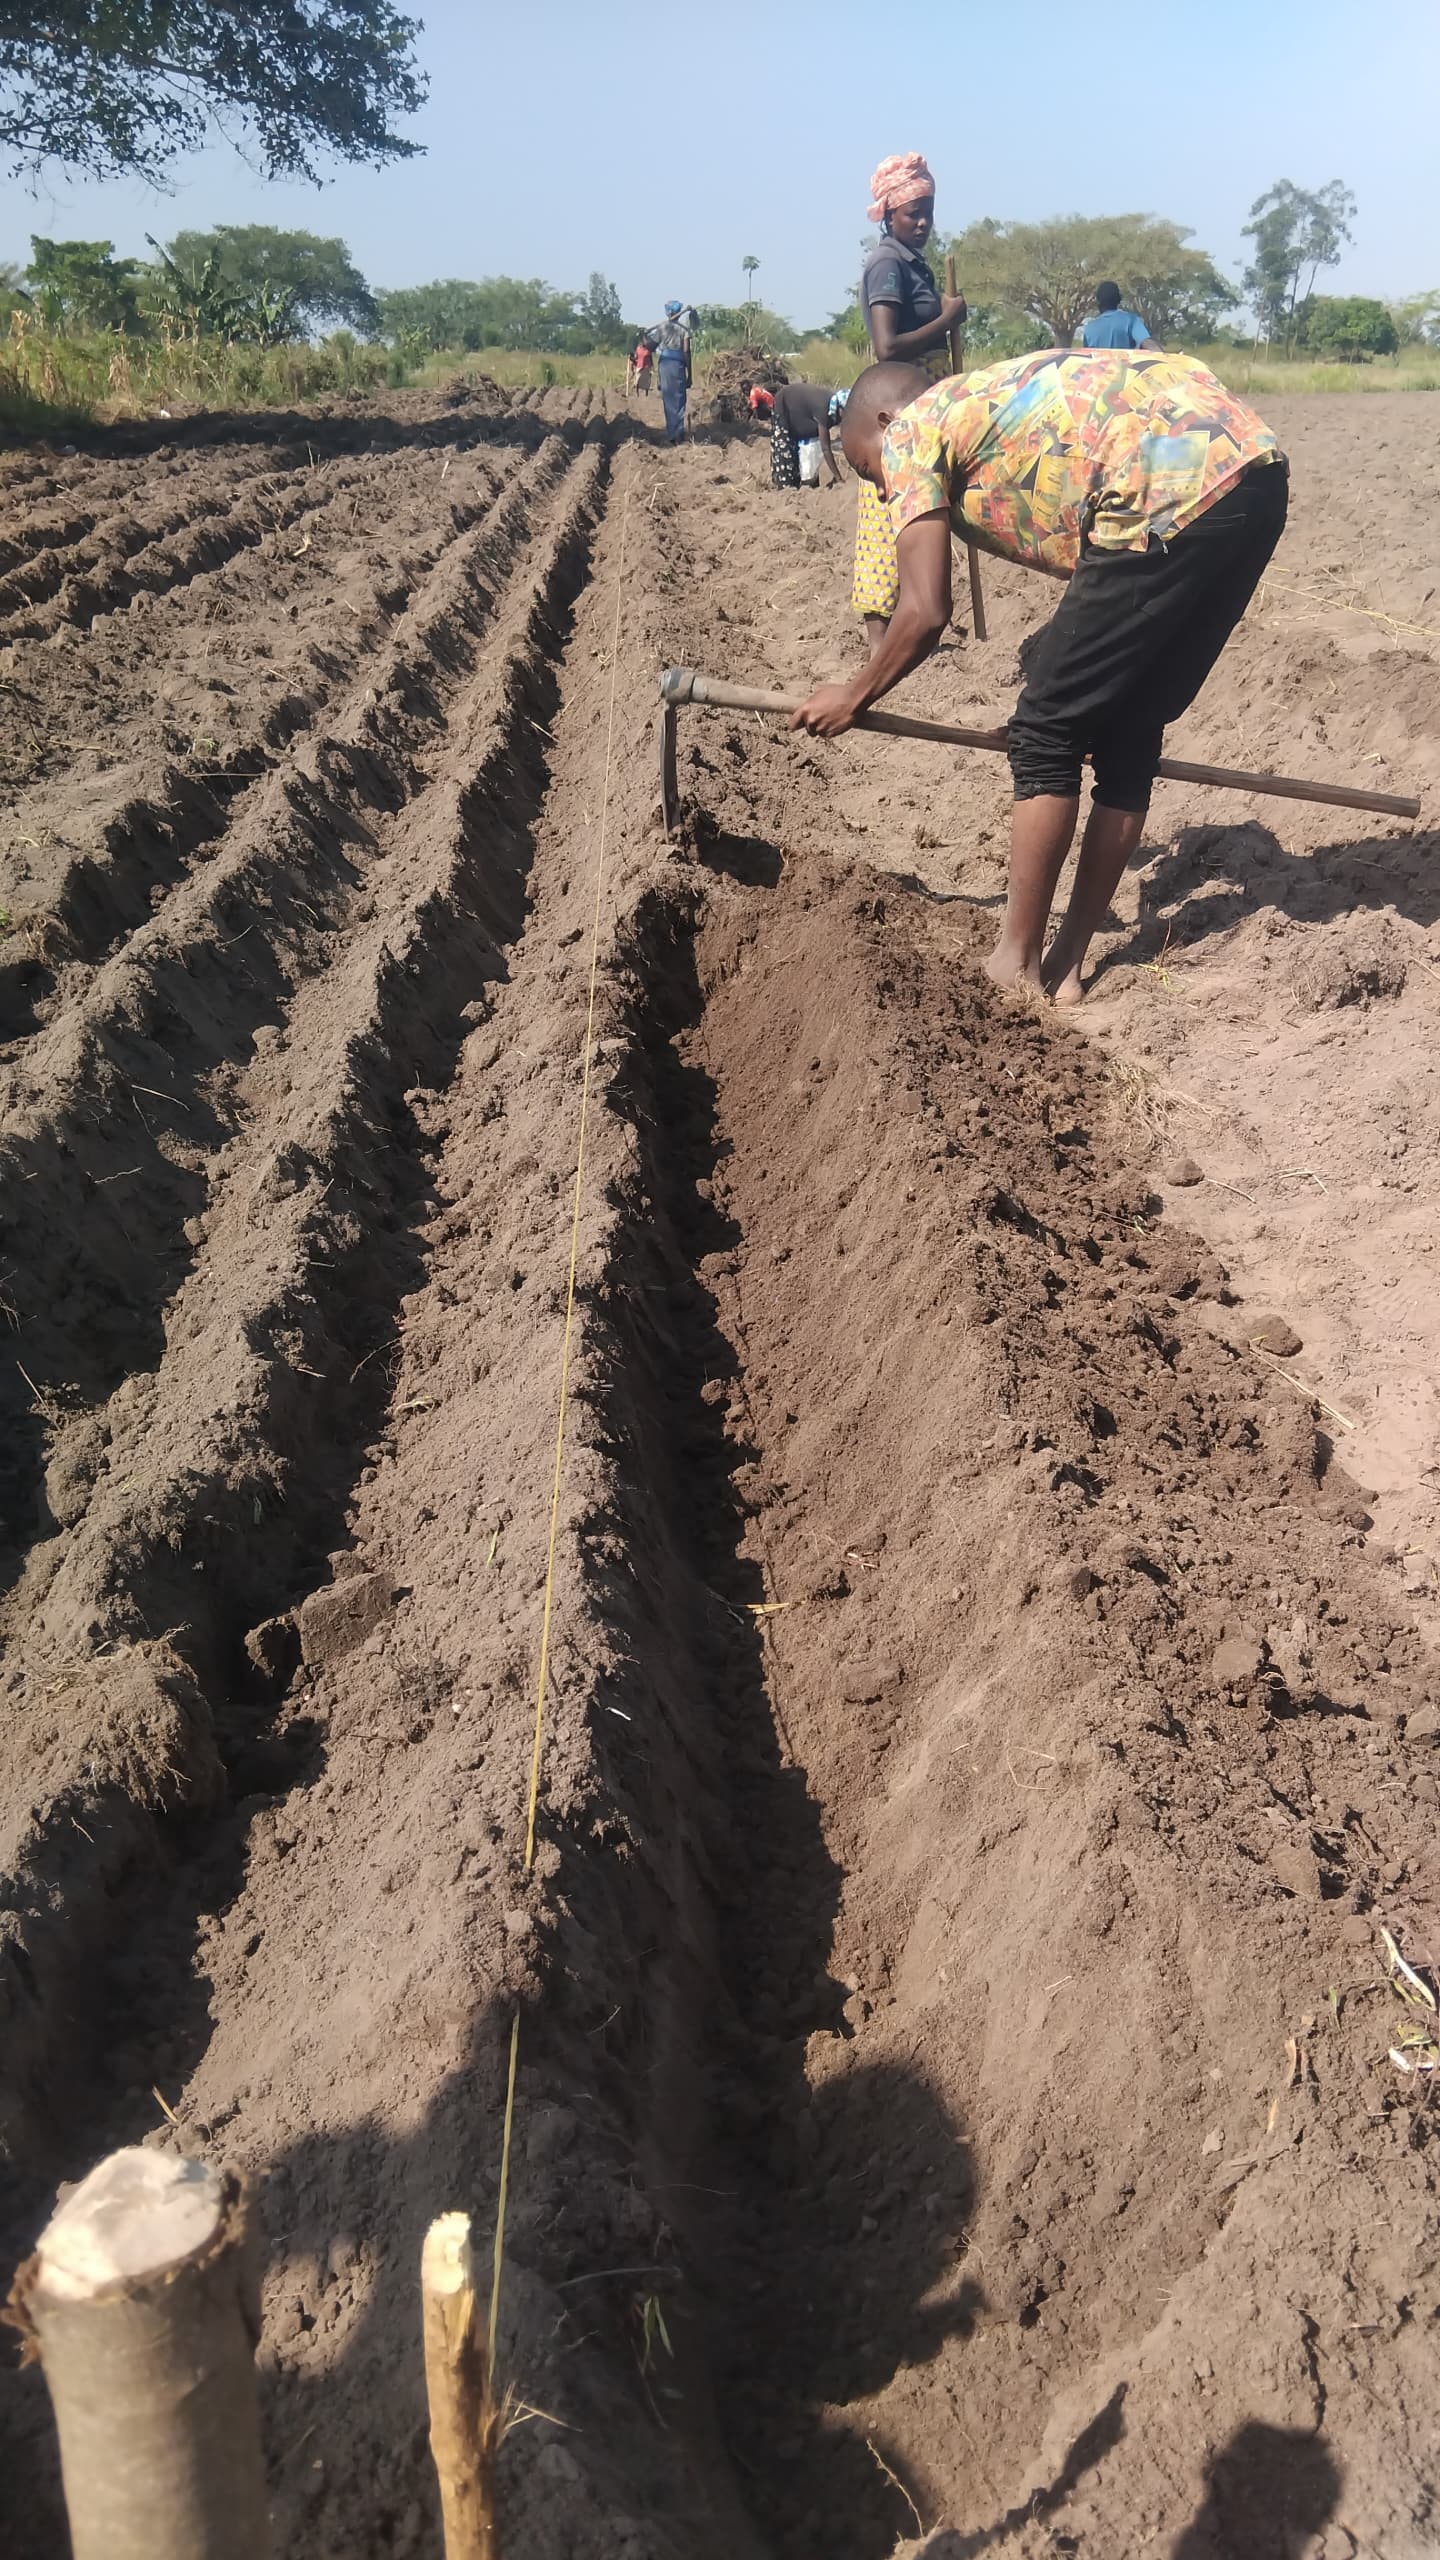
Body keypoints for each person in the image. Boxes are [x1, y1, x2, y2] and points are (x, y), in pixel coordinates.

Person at [792, 350, 1287, 1004]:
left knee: (1044, 733)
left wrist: (854, 695)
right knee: (1128, 733)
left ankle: (1015, 963)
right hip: (1253, 475)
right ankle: (1066, 967)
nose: (882, 491)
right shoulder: (986, 408)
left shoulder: (914, 427)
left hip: (1159, 487)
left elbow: (925, 610)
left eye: (867, 468)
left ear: (884, 421)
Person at [855, 152, 968, 654]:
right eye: (912, 214)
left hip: (922, 401)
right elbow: (887, 346)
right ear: (889, 214)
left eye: (928, 212)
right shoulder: (887, 263)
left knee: (922, 509)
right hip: (897, 408)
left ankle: (914, 621)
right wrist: (946, 321)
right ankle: (881, 639)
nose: (922, 223)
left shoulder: (912, 263)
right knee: (889, 513)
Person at [768, 380, 843, 490]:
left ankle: (807, 484)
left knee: (809, 450)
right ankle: (785, 489)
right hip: (784, 405)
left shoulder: (834, 403)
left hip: (799, 411)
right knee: (785, 454)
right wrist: (838, 477)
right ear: (840, 407)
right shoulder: (824, 408)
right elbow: (826, 448)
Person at [651, 300, 693, 443]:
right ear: (678, 313)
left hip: (664, 365)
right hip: (678, 365)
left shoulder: (661, 327)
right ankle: (678, 431)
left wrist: (643, 337)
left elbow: (651, 346)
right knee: (679, 398)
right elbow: (686, 352)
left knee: (668, 399)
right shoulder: (684, 330)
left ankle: (672, 433)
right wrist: (689, 374)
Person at [1078, 282, 1156, 351]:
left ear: (1098, 301)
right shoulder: (1131, 321)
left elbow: (1087, 357)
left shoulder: (1089, 328)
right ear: (1118, 300)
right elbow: (1148, 343)